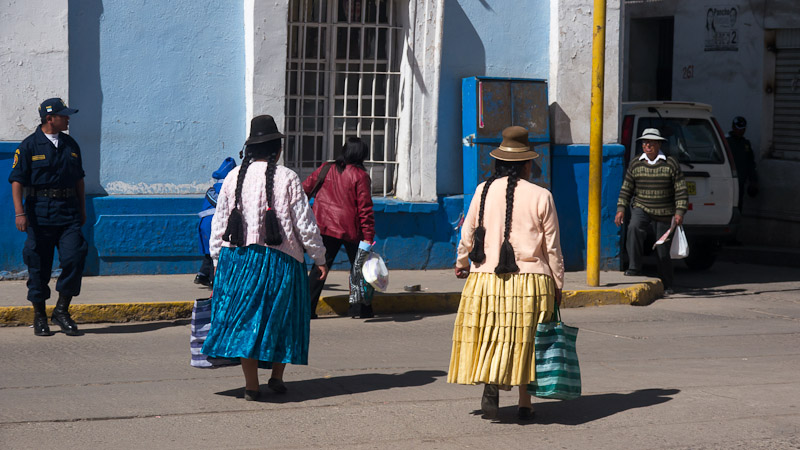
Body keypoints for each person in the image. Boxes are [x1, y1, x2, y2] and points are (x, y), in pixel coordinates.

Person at [202, 115, 328, 401]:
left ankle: (251, 386)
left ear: (249, 149)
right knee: (284, 319)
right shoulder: (288, 178)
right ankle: (277, 377)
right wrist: (319, 256)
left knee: (245, 322)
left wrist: (217, 262)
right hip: (282, 262)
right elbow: (304, 223)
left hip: (239, 261)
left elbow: (219, 224)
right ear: (277, 150)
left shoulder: (233, 178)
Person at [449, 126, 565, 422]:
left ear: (499, 162)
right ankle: (525, 403)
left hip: (486, 278)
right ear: (527, 164)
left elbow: (468, 234)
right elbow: (552, 249)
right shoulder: (542, 195)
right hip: (531, 281)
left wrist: (462, 262)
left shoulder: (482, 191)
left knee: (491, 336)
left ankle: (492, 383)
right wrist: (558, 284)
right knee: (526, 342)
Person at [8, 98, 88, 337]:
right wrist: (19, 213)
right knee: (38, 265)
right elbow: (17, 181)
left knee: (75, 257)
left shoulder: (71, 144)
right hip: (39, 213)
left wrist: (82, 209)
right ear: (49, 118)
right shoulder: (29, 145)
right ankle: (40, 315)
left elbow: (79, 181)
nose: (68, 118)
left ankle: (62, 311)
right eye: (63, 115)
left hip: (68, 212)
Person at [302, 137, 375, 319]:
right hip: (351, 229)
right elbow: (365, 209)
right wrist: (368, 235)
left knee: (320, 266)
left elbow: (304, 189)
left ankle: (307, 308)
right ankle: (359, 309)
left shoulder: (327, 168)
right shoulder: (360, 176)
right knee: (358, 268)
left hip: (324, 226)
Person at [615, 128, 688, 295]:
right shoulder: (635, 164)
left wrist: (679, 212)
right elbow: (626, 189)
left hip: (664, 212)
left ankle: (667, 284)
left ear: (659, 144)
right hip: (642, 207)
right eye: (645, 142)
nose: (647, 145)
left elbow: (681, 190)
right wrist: (621, 209)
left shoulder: (670, 163)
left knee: (663, 251)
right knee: (634, 228)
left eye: (651, 143)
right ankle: (634, 267)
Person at [194, 157, 236, 288]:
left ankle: (202, 274)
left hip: (204, 224)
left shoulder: (211, 190)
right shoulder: (227, 190)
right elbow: (223, 204)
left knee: (209, 251)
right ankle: (213, 279)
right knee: (216, 252)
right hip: (213, 223)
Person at [727, 116, 758, 211]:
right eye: (738, 129)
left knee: (738, 205)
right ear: (733, 127)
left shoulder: (746, 144)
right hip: (727, 181)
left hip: (740, 181)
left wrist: (753, 180)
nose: (740, 131)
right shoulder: (726, 141)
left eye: (742, 129)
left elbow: (750, 163)